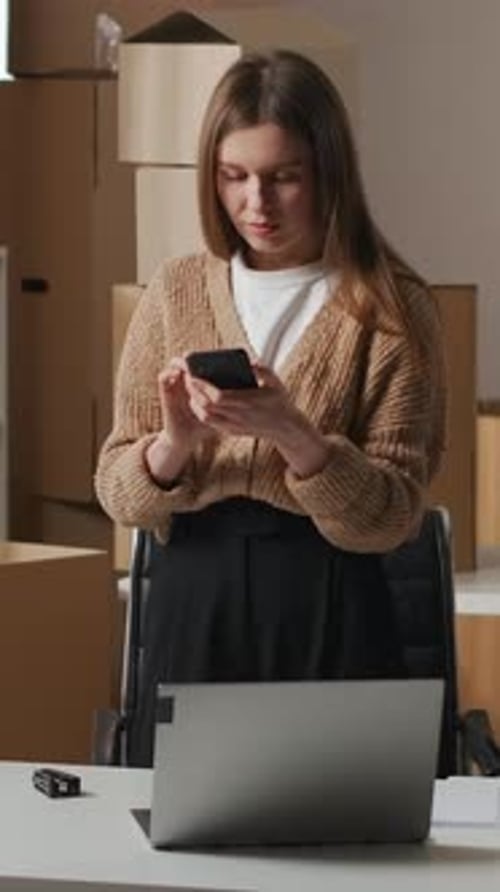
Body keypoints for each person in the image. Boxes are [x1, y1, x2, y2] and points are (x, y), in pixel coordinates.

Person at [95, 49, 446, 767]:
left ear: (329, 173)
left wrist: (297, 438)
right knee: (189, 852)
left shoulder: (392, 308)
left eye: (284, 177)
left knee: (338, 845)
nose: (257, 203)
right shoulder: (177, 291)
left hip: (333, 597)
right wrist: (174, 445)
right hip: (196, 595)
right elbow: (117, 492)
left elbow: (392, 515)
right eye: (234, 177)